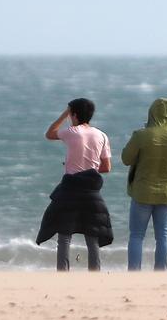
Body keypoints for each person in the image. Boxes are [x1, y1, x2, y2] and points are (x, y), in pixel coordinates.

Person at [36, 98, 113, 271]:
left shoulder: (71, 132)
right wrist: (88, 167)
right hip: (91, 190)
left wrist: (64, 114)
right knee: (92, 235)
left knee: (64, 235)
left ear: (74, 114)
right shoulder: (101, 135)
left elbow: (50, 133)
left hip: (70, 189)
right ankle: (95, 273)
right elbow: (106, 167)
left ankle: (63, 273)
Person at [120, 98, 167, 271]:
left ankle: (134, 272)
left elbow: (126, 159)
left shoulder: (141, 135)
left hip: (142, 192)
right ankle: (160, 272)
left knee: (136, 236)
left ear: (151, 113)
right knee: (163, 236)